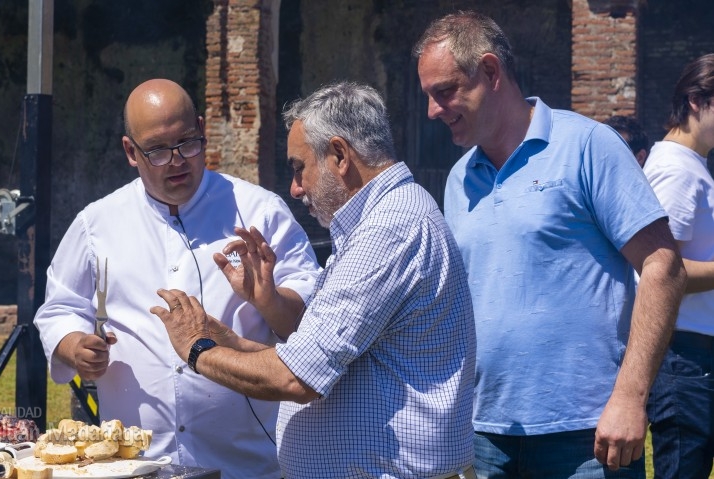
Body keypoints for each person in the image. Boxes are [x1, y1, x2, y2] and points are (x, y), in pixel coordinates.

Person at [150, 81, 477, 479]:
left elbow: (296, 377)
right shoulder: (376, 222)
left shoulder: (390, 228)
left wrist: (197, 350)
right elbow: (318, 352)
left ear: (339, 154)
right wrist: (234, 335)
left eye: (298, 168)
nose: (296, 188)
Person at [413, 10, 687, 479]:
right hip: (483, 435)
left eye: (444, 92)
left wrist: (630, 396)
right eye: (429, 97)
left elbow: (663, 265)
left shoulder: (587, 146)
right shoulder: (460, 178)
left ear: (491, 72)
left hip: (587, 438)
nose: (432, 112)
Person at [33, 79, 321, 479]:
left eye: (188, 142)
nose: (177, 160)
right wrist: (74, 346)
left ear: (202, 130)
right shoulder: (97, 224)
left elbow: (311, 322)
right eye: (157, 150)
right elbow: (61, 307)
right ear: (131, 151)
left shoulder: (260, 212)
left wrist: (269, 300)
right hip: (134, 466)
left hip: (243, 463)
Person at [642, 53, 714, 479]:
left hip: (693, 355)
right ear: (695, 100)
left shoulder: (693, 166)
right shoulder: (675, 169)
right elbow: (659, 270)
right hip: (682, 357)